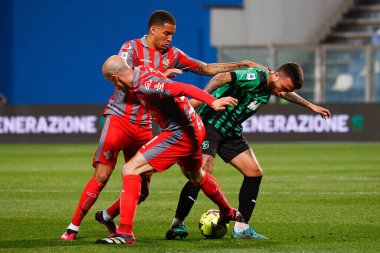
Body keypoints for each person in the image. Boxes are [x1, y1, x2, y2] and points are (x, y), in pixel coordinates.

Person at [60, 10, 262, 241]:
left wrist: (240, 65)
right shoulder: (131, 49)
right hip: (125, 118)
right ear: (153, 29)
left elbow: (203, 69)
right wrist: (162, 77)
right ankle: (80, 226)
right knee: (189, 174)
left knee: (137, 179)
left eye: (172, 35)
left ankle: (120, 228)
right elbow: (123, 72)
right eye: (166, 33)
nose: (170, 39)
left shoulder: (168, 58)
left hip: (158, 126)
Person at [165, 63, 332, 240]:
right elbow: (221, 77)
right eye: (283, 88)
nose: (282, 94)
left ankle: (242, 228)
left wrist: (310, 106)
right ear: (275, 76)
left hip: (230, 131)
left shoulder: (273, 84)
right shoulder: (256, 77)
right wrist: (203, 99)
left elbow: (287, 91)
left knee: (254, 173)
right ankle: (177, 224)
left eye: (286, 91)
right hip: (210, 124)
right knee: (202, 171)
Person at [95, 55, 242, 245]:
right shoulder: (142, 71)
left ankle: (125, 233)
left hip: (180, 132)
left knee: (130, 169)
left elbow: (183, 88)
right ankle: (227, 211)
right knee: (197, 175)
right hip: (194, 128)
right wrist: (164, 77)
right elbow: (160, 85)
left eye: (110, 82)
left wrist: (211, 101)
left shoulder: (143, 84)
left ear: (115, 79)